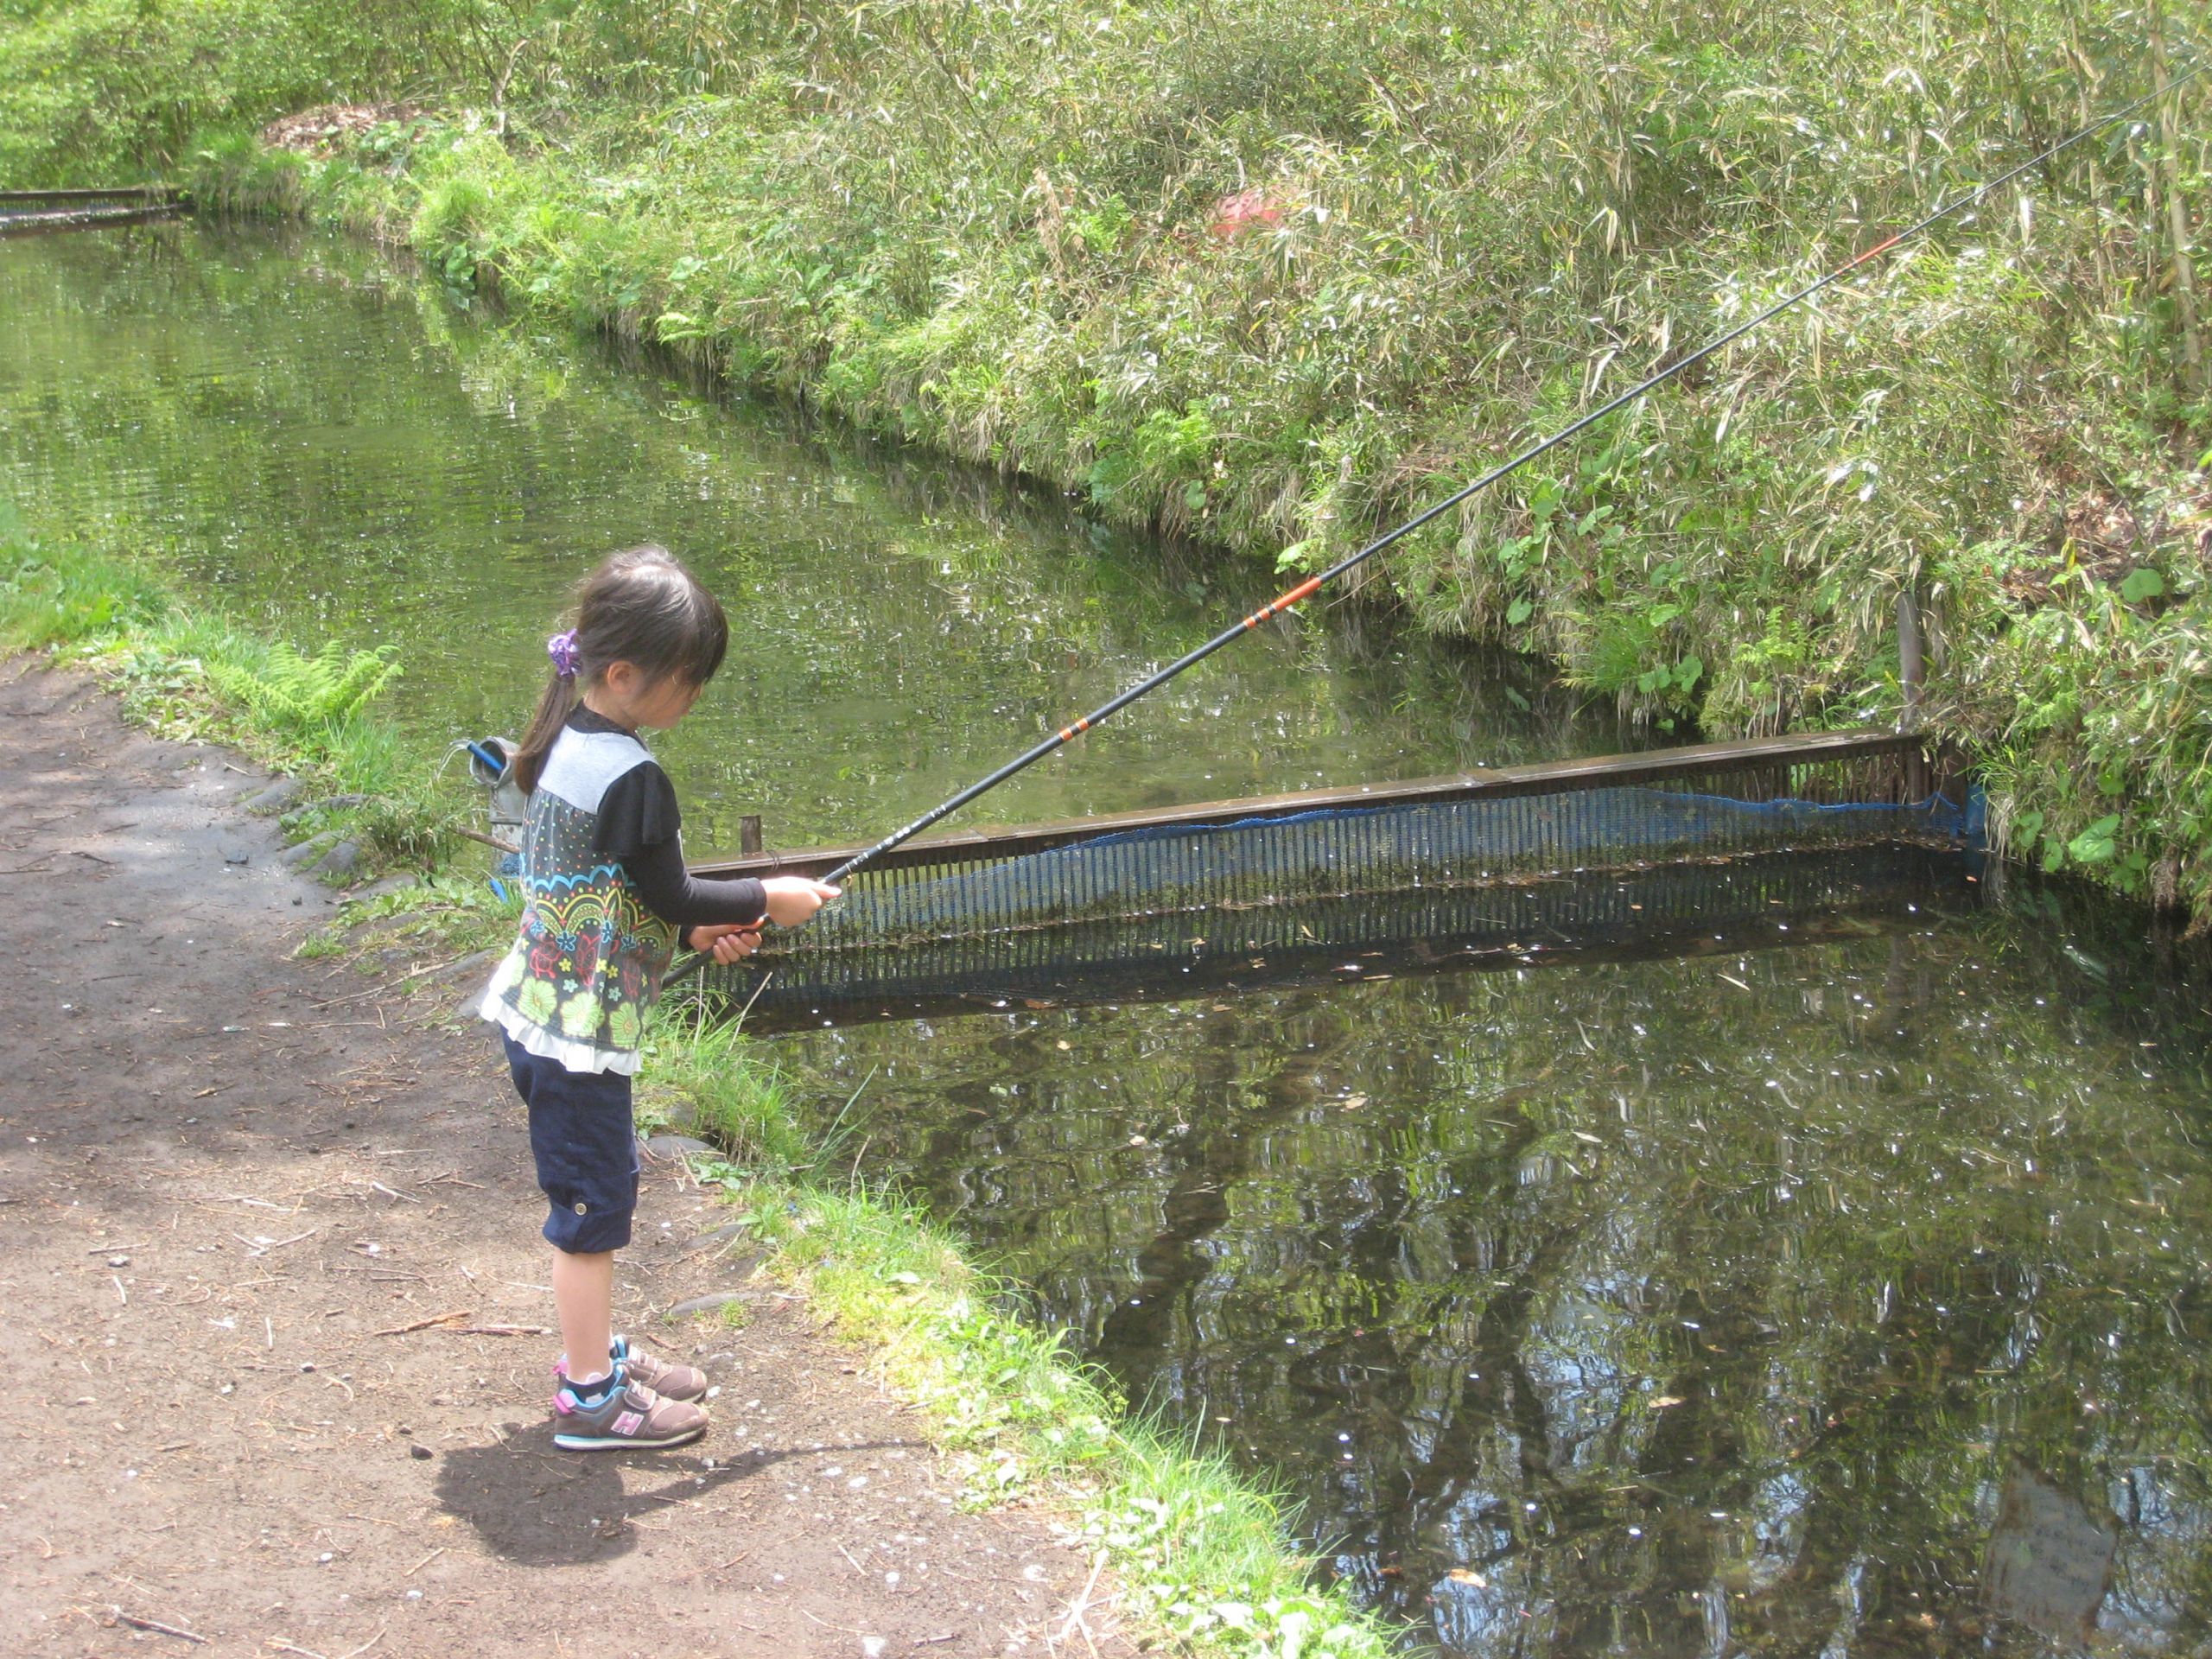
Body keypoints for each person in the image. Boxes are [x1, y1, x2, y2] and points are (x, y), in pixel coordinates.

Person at [478, 545, 836, 1451]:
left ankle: (596, 1357)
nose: (695, 698)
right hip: (575, 1036)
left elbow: (620, 895)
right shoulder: (632, 774)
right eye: (688, 680)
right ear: (627, 673)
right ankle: (590, 1399)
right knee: (590, 1217)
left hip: (543, 1010)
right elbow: (673, 891)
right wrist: (767, 898)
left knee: (594, 1197)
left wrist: (693, 935)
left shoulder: (574, 742)